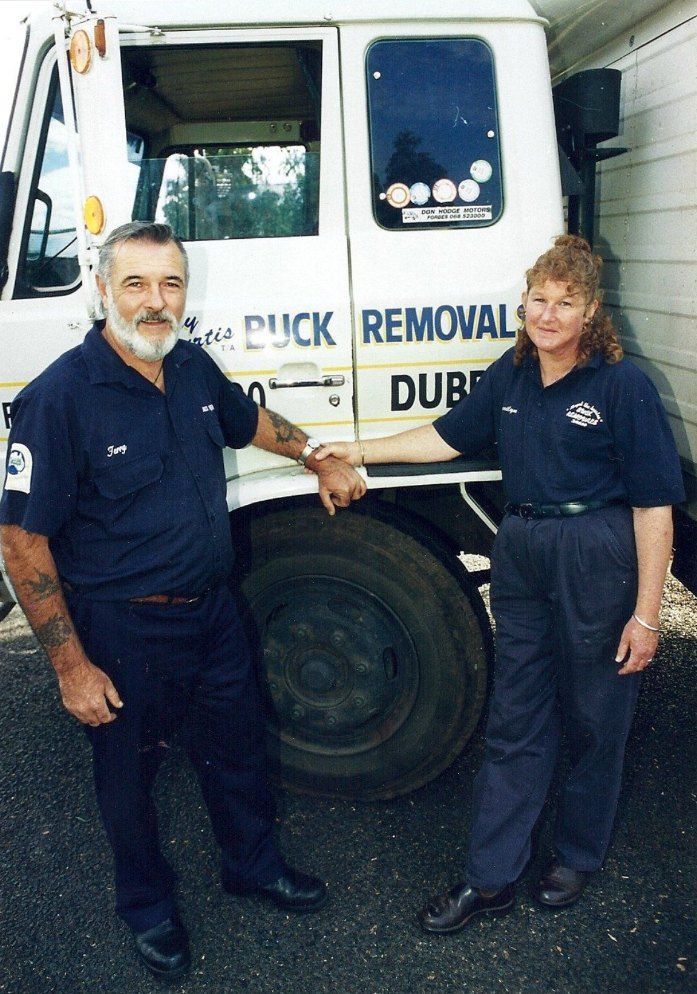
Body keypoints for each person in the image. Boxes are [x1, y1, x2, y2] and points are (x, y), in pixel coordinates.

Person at [0, 221, 366, 979]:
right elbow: (21, 542)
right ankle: (146, 907)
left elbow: (247, 419)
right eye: (135, 283)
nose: (154, 301)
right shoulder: (59, 399)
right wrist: (71, 668)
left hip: (211, 611)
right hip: (123, 629)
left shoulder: (192, 366)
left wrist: (313, 454)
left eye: (169, 283)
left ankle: (252, 866)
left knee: (236, 751)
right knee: (128, 778)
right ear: (102, 289)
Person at [316, 234, 685, 933]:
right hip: (521, 548)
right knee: (516, 714)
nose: (547, 315)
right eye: (537, 299)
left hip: (594, 551)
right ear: (522, 303)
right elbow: (446, 436)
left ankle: (576, 854)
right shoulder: (510, 374)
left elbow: (651, 506)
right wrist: (358, 451)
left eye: (564, 302)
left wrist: (645, 615)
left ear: (591, 310)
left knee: (595, 714)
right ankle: (490, 879)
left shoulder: (620, 385)